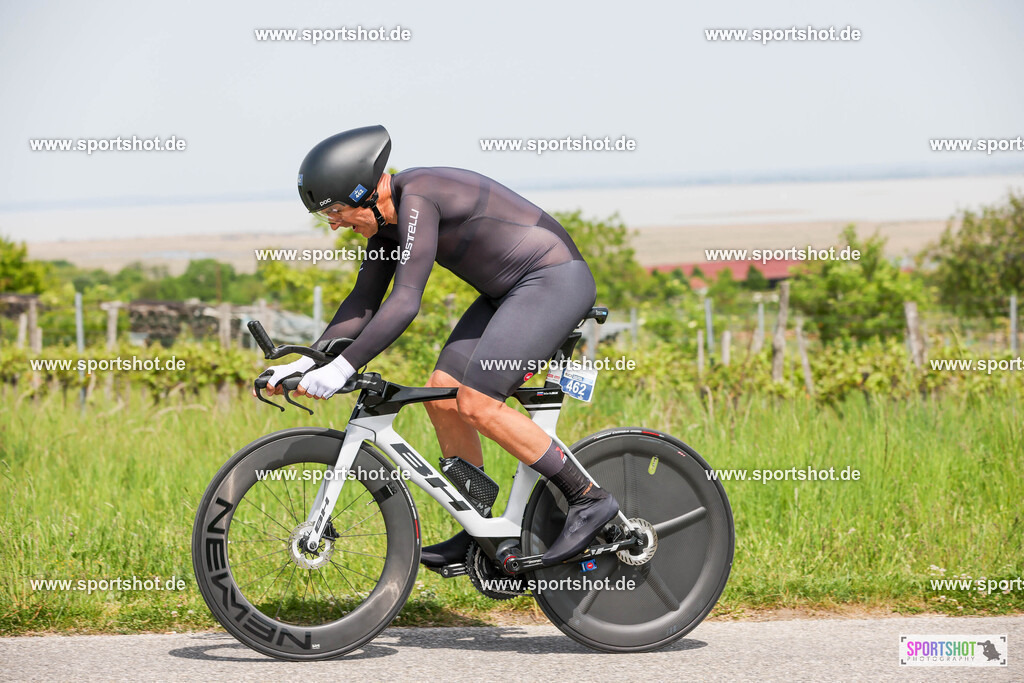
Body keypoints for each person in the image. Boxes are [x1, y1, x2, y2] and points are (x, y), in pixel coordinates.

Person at [261, 125, 619, 566]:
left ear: (367, 192)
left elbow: (405, 302)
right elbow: (362, 304)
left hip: (553, 282)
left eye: (335, 210)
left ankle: (588, 498)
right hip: (507, 293)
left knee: (478, 402)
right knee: (442, 394)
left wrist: (341, 369)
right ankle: (480, 530)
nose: (334, 223)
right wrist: (305, 361)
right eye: (325, 216)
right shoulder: (385, 228)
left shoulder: (419, 196)